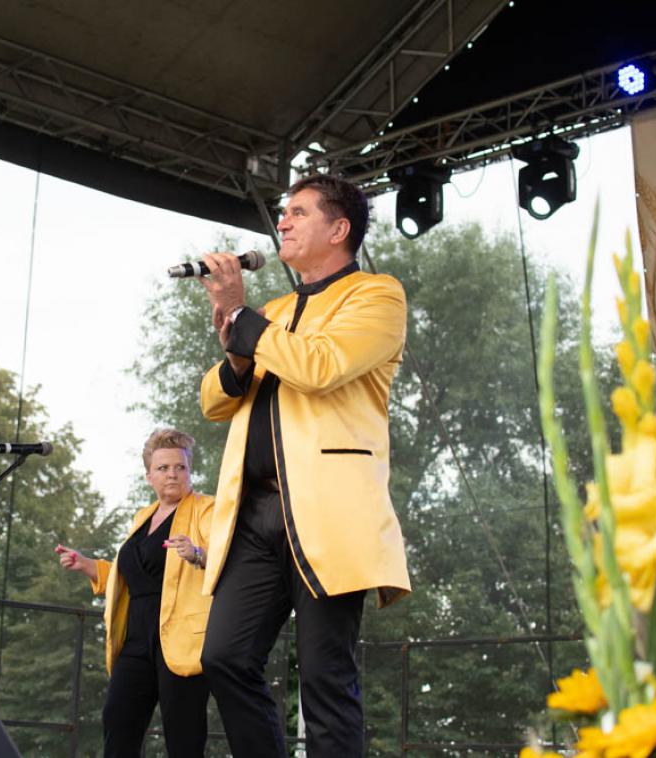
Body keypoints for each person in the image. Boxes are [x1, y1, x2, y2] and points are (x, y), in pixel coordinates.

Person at [195, 173, 411, 757]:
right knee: (224, 657)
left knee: (325, 677)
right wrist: (238, 348)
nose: (283, 222)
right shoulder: (276, 310)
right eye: (283, 212)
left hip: (328, 512)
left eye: (298, 212)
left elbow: (320, 366)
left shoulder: (377, 295)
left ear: (339, 230)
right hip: (254, 515)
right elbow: (214, 401)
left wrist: (240, 316)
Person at [55, 428, 213, 758]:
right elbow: (131, 575)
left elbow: (229, 560)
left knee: (183, 735)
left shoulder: (206, 509)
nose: (172, 474)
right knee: (118, 720)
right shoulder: (143, 517)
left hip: (181, 637)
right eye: (163, 468)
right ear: (149, 476)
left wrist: (198, 553)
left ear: (190, 471)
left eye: (180, 467)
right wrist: (88, 565)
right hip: (136, 638)